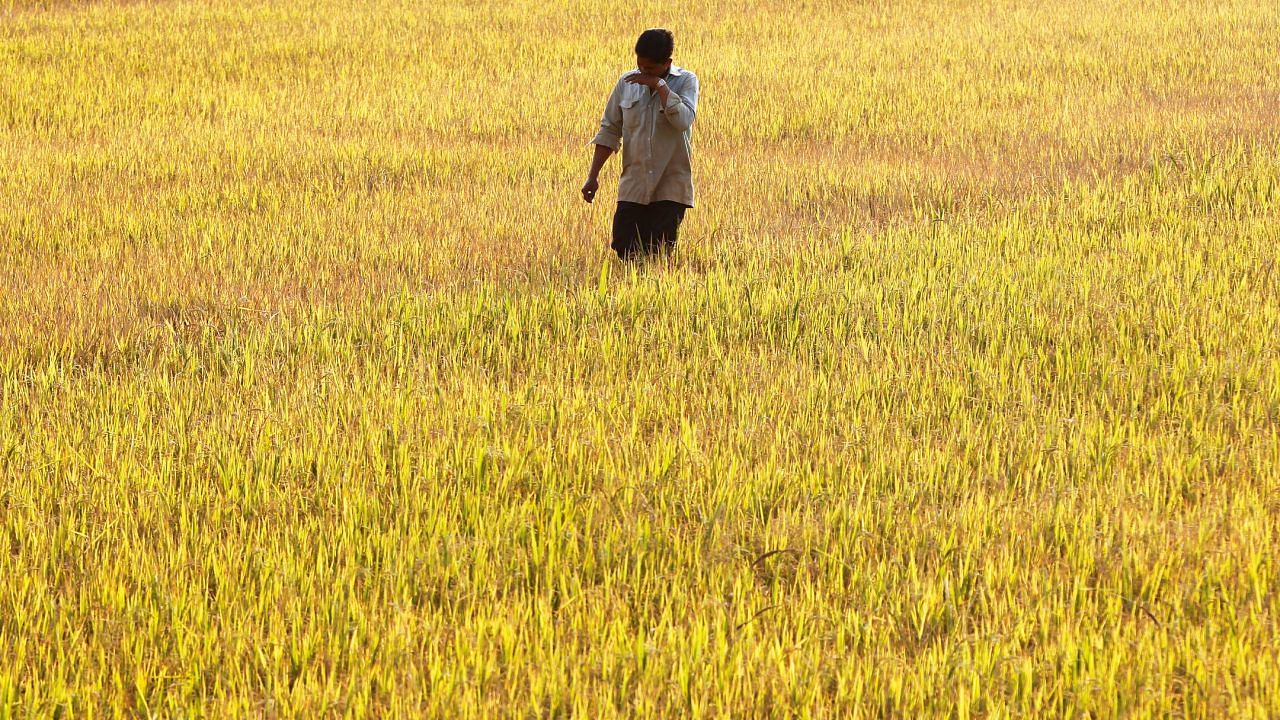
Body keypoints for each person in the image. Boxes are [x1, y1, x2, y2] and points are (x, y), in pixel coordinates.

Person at [581, 28, 700, 261]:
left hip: (671, 186)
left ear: (667, 62)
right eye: (641, 66)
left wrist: (660, 86)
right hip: (633, 185)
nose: (643, 72)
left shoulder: (686, 81)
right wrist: (593, 175)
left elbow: (683, 121)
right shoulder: (626, 82)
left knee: (658, 253)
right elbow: (610, 130)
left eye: (651, 69)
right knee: (624, 246)